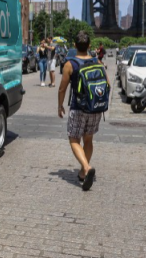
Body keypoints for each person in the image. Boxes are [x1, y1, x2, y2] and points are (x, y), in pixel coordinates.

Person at [58, 31, 102, 191]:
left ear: (75, 45)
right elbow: (108, 84)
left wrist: (60, 105)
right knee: (88, 140)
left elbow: (62, 88)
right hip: (95, 108)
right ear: (89, 46)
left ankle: (86, 167)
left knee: (74, 139)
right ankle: (83, 175)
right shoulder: (96, 61)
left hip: (78, 108)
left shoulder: (70, 64)